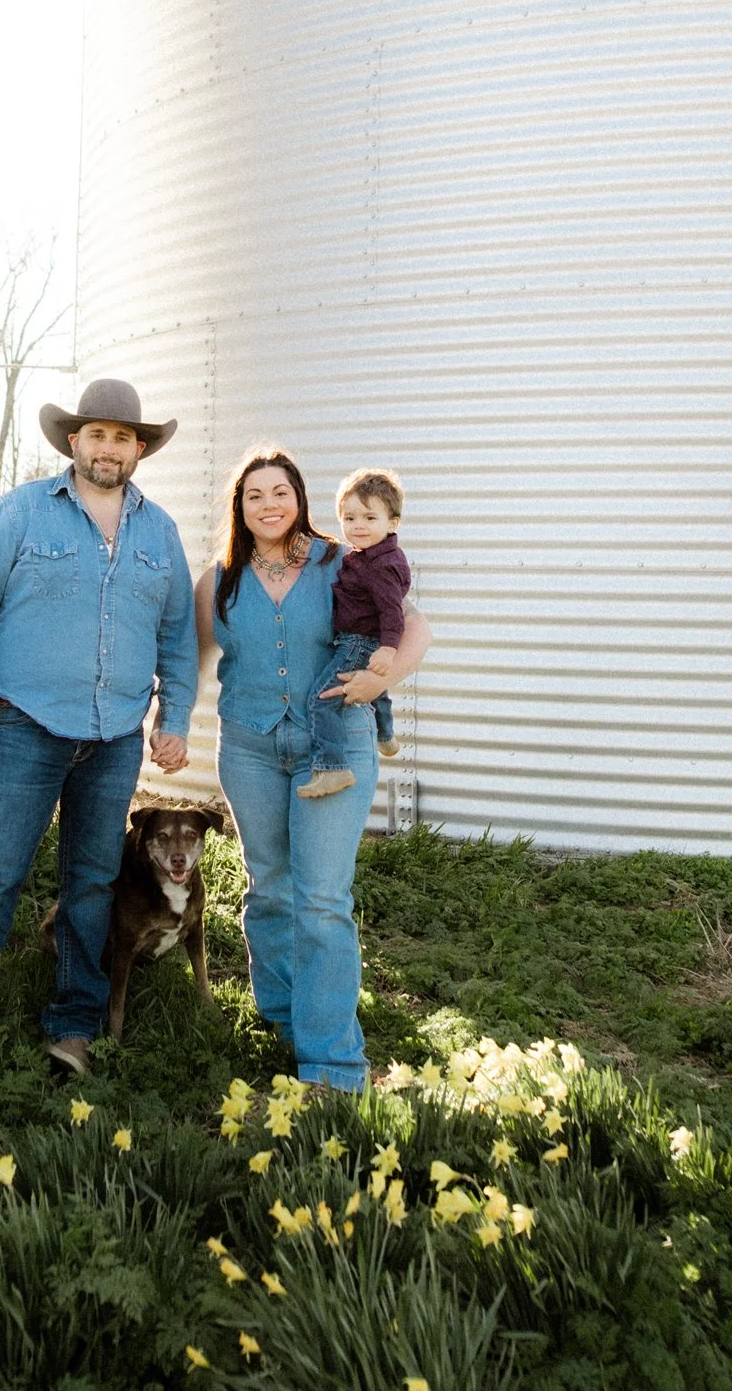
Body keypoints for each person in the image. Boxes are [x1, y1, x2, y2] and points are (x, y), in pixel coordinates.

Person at [0, 378, 197, 1076]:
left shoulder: (159, 532)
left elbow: (175, 636)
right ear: (73, 442)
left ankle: (74, 1025)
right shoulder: (22, 512)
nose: (108, 449)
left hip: (114, 736)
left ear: (139, 449)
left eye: (122, 437)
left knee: (91, 883)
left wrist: (177, 718)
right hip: (24, 723)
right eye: (96, 435)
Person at [194, 447, 429, 1090]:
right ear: (239, 509)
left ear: (299, 497)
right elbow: (186, 652)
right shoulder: (222, 579)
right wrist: (164, 719)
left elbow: (416, 630)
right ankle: (284, 1018)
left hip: (335, 747)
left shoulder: (340, 562)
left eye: (281, 492)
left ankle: (332, 1062)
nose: (269, 505)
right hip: (248, 746)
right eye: (254, 495)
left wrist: (375, 682)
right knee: (269, 888)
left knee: (322, 899)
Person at [298, 467, 412, 798]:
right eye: (349, 518)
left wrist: (388, 649)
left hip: (357, 642)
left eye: (369, 518)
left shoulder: (381, 566)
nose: (357, 526)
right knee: (375, 689)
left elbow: (393, 611)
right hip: (360, 640)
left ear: (392, 523)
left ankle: (333, 769)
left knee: (321, 700)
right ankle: (386, 733)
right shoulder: (368, 556)